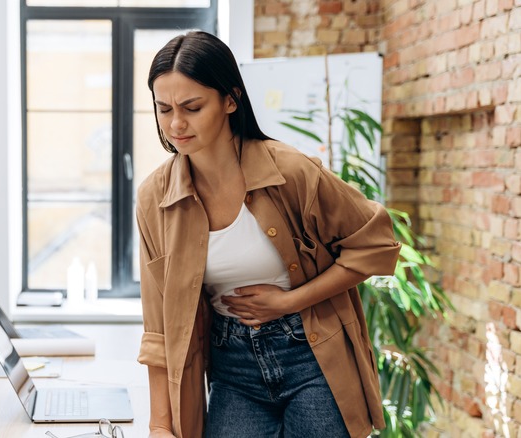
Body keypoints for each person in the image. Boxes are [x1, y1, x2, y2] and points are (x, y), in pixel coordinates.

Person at [135, 31, 401, 438]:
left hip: (311, 357)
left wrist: (289, 301)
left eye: (192, 107)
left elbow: (376, 245)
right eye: (163, 108)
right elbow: (159, 328)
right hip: (232, 367)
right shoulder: (155, 199)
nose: (176, 124)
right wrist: (158, 426)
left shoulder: (292, 173)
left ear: (230, 100)